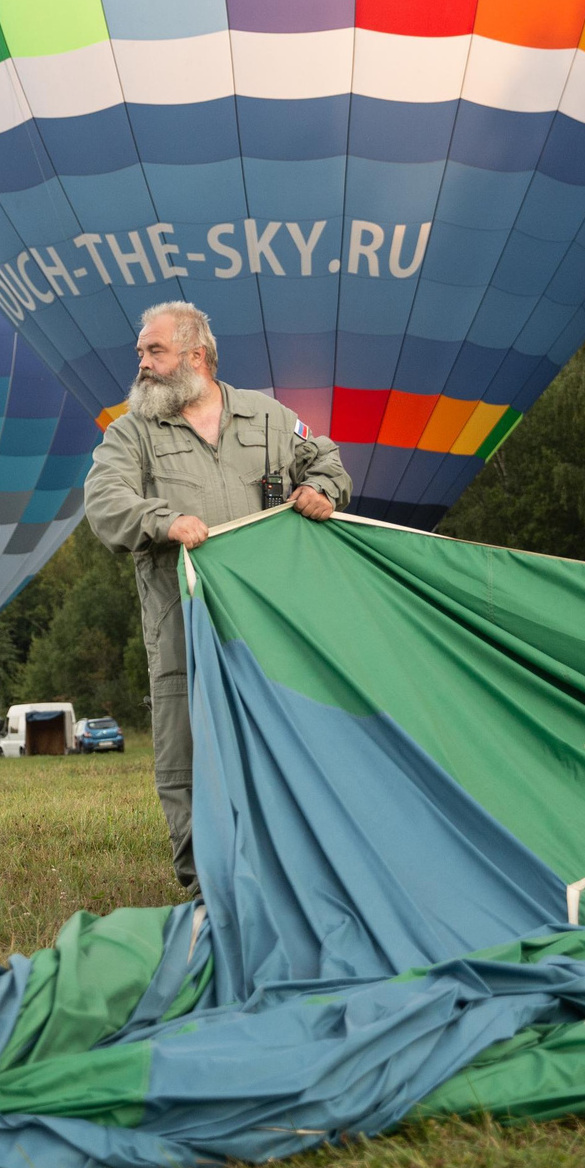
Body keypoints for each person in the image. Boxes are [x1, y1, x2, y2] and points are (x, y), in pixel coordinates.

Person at [83, 301, 349, 891]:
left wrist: (321, 489)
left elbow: (327, 459)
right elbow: (103, 503)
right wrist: (163, 520)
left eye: (155, 351)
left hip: (271, 626)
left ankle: (297, 874)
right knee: (189, 753)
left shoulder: (269, 418)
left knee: (286, 742)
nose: (143, 365)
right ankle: (208, 885)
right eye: (140, 354)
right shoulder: (132, 434)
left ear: (196, 357)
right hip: (184, 629)